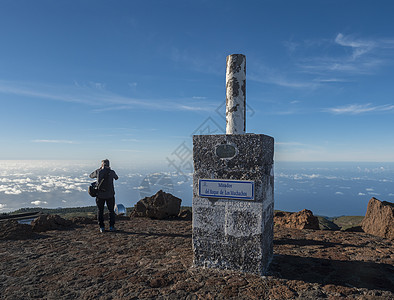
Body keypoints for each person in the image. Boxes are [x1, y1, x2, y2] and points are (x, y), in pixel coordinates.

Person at [90, 159, 119, 233]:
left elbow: (90, 176)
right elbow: (116, 177)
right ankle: (111, 227)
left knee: (100, 211)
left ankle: (102, 227)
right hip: (110, 195)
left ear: (102, 165)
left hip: (100, 196)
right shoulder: (112, 172)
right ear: (109, 165)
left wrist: (100, 169)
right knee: (111, 211)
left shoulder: (98, 172)